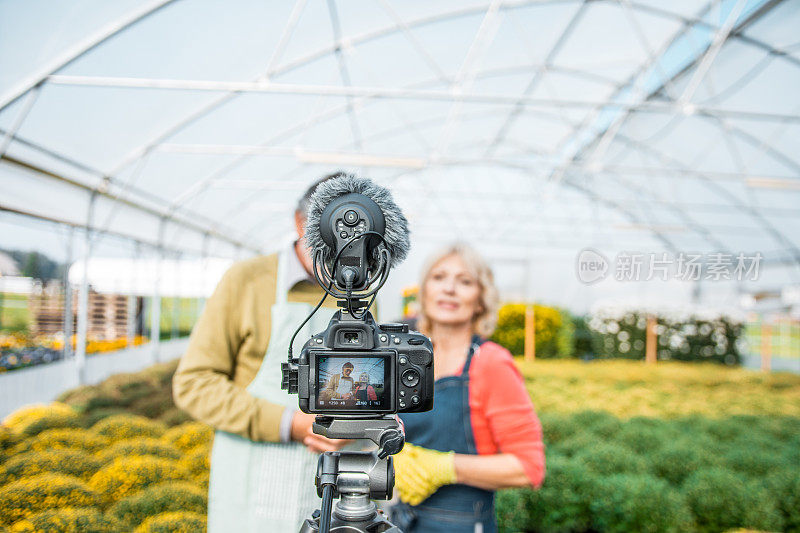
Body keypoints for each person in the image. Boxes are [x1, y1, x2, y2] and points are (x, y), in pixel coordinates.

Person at [172, 172, 350, 531]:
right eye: (329, 226)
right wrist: (291, 424)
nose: (342, 242)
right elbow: (193, 383)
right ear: (300, 223)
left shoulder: (359, 291)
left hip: (332, 482)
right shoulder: (247, 281)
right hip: (253, 483)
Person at [391, 243, 546, 533]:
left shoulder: (490, 363)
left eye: (464, 281)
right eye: (438, 278)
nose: (449, 289)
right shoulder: (405, 360)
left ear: (480, 300)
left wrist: (444, 467)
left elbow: (528, 467)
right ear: (424, 292)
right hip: (403, 521)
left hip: (462, 524)